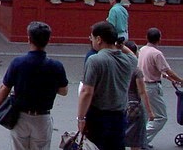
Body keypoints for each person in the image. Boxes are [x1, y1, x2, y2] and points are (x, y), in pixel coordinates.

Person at [0, 21, 68, 150]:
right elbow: (64, 91)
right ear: (48, 40)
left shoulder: (18, 63)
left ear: (29, 39)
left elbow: (5, 87)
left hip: (20, 116)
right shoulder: (56, 66)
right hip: (42, 117)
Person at [77, 21, 137, 150]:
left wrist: (81, 118)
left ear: (99, 39)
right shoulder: (129, 61)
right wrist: (120, 46)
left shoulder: (95, 60)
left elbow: (87, 92)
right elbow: (133, 55)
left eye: (92, 37)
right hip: (120, 116)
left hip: (99, 116)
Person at [138, 27, 183, 148]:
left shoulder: (142, 50)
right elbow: (168, 70)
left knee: (146, 115)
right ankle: (142, 139)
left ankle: (141, 139)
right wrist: (180, 80)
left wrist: (170, 79)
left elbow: (157, 70)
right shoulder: (157, 54)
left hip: (142, 85)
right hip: (152, 87)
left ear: (147, 38)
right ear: (159, 39)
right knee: (161, 117)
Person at [124, 41, 154, 150]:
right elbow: (142, 92)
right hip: (134, 106)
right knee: (135, 140)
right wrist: (150, 112)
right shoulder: (136, 71)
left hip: (120, 104)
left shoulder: (119, 67)